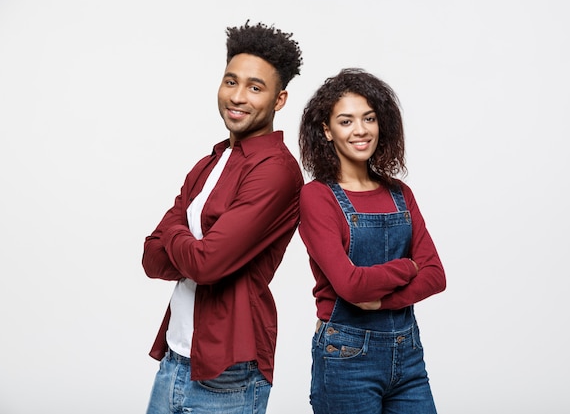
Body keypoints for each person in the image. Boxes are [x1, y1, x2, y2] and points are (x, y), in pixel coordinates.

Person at [142, 21, 303, 414]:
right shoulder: (209, 162)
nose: (238, 97)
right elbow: (151, 257)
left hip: (228, 374)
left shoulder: (275, 171)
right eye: (231, 81)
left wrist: (177, 233)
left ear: (279, 100)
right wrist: (191, 245)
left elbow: (207, 262)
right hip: (175, 358)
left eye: (255, 87)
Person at [298, 68, 446, 414]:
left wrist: (381, 303)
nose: (361, 130)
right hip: (346, 357)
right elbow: (351, 286)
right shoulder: (317, 197)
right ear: (327, 131)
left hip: (407, 352)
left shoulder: (400, 193)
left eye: (369, 118)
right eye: (346, 121)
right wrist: (408, 267)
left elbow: (436, 276)